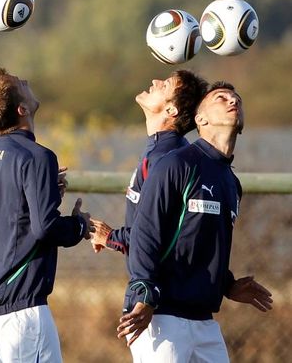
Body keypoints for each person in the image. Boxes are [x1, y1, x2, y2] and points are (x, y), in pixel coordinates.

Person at [117, 82, 274, 362]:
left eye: (236, 98)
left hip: (204, 321)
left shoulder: (231, 183)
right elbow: (144, 234)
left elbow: (197, 244)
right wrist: (144, 293)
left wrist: (226, 284)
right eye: (221, 98)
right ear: (200, 119)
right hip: (160, 315)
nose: (232, 101)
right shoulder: (177, 164)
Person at [0, 68, 93, 362]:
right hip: (20, 308)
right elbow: (45, 228)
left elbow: (15, 218)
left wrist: (47, 195)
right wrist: (79, 226)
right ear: (22, 109)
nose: (26, 81)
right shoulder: (37, 155)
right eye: (20, 84)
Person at [89, 70, 208, 255]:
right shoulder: (164, 148)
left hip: (159, 283)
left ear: (171, 110)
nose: (155, 81)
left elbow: (156, 233)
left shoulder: (165, 158)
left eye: (165, 85)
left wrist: (111, 237)